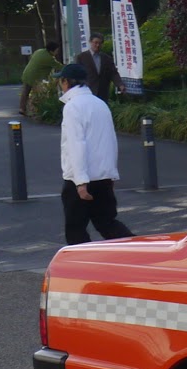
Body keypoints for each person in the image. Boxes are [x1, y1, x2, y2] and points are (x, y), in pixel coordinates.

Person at [57, 61, 135, 245]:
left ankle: (82, 267)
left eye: (61, 81)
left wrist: (81, 182)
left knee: (76, 228)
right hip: (103, 176)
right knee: (107, 223)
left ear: (67, 82)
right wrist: (111, 174)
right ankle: (137, 252)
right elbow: (109, 141)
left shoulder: (72, 107)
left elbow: (76, 145)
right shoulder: (100, 104)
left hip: (80, 178)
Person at [76, 34, 119, 101]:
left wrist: (120, 84)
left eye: (100, 43)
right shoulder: (82, 57)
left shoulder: (107, 58)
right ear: (90, 42)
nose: (98, 45)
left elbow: (113, 73)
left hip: (103, 92)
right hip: (87, 91)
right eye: (95, 43)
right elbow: (78, 74)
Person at [20, 41, 58, 116]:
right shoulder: (49, 58)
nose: (57, 52)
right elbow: (58, 66)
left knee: (26, 92)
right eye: (56, 50)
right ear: (51, 50)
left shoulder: (39, 51)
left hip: (27, 73)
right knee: (38, 94)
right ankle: (34, 111)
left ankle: (22, 108)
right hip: (36, 78)